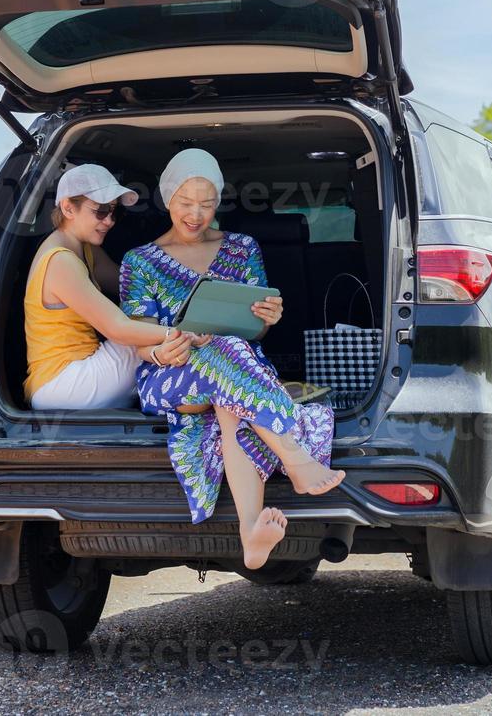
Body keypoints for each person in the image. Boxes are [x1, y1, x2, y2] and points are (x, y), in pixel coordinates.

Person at [119, 148, 344, 569]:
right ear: (169, 200)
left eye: (206, 204)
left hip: (237, 370)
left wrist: (268, 319)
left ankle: (250, 534)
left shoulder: (242, 248)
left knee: (231, 397)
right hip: (172, 375)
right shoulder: (140, 261)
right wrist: (161, 347)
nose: (196, 213)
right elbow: (138, 341)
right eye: (186, 203)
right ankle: (296, 458)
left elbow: (254, 330)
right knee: (225, 357)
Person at [23, 163, 197, 411]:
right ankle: (196, 392)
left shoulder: (84, 249)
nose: (109, 221)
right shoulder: (59, 260)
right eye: (101, 211)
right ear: (68, 208)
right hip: (62, 384)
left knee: (150, 319)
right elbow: (118, 329)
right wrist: (182, 333)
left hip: (81, 376)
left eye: (114, 212)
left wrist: (190, 286)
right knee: (142, 336)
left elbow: (132, 285)